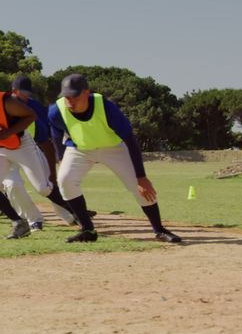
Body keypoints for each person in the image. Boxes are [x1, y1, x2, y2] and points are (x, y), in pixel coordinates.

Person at [49, 73, 182, 243]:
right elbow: (55, 132)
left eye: (73, 96)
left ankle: (159, 230)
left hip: (113, 147)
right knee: (65, 180)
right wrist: (60, 157)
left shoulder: (105, 107)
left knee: (138, 186)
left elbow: (130, 139)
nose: (69, 101)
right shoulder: (56, 111)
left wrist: (141, 176)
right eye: (66, 97)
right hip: (80, 149)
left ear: (86, 92)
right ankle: (88, 230)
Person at [0, 68, 75, 239]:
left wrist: (9, 132)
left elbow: (30, 116)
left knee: (43, 188)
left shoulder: (4, 101)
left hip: (21, 145)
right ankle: (19, 223)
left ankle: (77, 212)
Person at [8, 74, 77, 230]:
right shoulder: (2, 104)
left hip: (30, 147)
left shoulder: (34, 106)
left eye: (28, 93)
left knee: (46, 184)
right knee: (13, 185)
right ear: (14, 91)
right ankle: (33, 220)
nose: (27, 96)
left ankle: (71, 215)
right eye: (23, 92)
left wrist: (53, 163)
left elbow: (45, 132)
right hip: (2, 150)